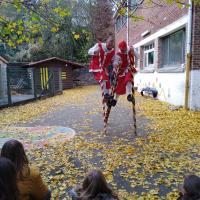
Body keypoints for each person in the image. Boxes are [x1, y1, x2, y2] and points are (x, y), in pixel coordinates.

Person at [110, 40, 137, 107]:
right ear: (120, 48)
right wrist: (117, 64)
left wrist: (134, 51)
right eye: (122, 50)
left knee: (129, 80)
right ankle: (115, 100)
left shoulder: (129, 50)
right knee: (119, 87)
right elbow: (114, 63)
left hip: (126, 70)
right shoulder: (117, 55)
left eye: (124, 49)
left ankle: (129, 95)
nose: (123, 51)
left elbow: (137, 56)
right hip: (118, 72)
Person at [88, 36, 115, 100]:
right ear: (106, 42)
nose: (110, 45)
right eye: (109, 43)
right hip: (96, 66)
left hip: (103, 68)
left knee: (107, 81)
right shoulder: (99, 45)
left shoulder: (112, 51)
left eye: (112, 44)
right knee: (103, 76)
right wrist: (95, 52)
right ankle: (105, 95)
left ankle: (107, 97)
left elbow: (114, 60)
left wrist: (116, 63)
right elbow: (89, 51)